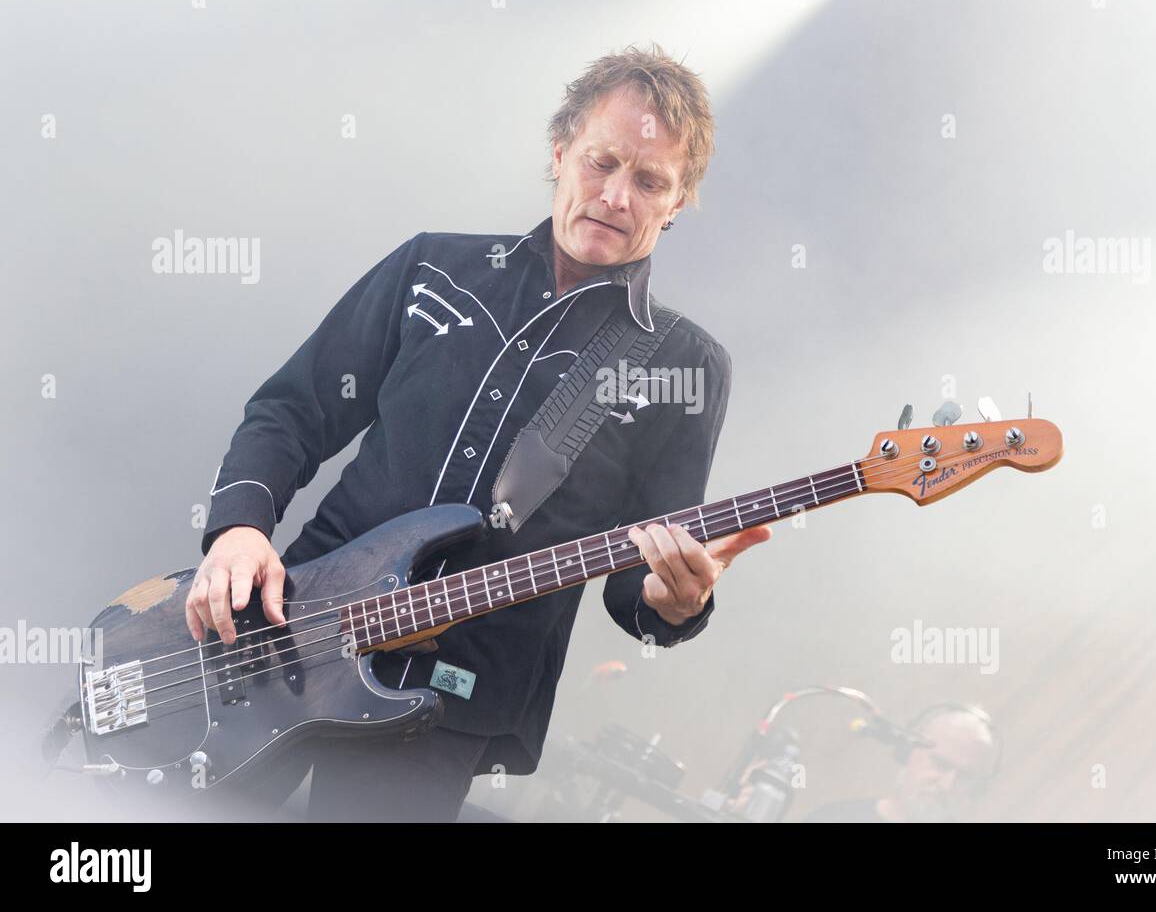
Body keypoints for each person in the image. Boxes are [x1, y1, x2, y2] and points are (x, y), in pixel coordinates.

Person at [185, 43, 772, 821]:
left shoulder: (685, 364)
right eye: (602, 162)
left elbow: (642, 574)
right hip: (292, 632)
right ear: (560, 152)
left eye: (650, 181)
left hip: (443, 705)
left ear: (678, 201)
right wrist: (236, 532)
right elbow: (293, 410)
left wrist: (672, 601)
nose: (616, 195)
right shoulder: (434, 268)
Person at [805, 705, 1001, 823]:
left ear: (978, 789)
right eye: (940, 764)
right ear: (907, 752)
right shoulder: (834, 818)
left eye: (965, 777)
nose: (946, 785)